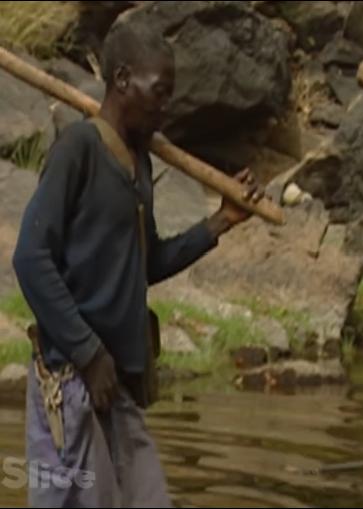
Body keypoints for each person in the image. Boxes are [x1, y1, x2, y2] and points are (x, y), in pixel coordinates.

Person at [12, 21, 264, 507]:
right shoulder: (78, 150)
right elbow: (30, 258)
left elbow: (145, 264)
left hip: (117, 381)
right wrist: (87, 352)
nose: (167, 105)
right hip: (73, 380)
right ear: (123, 80)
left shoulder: (140, 163)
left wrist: (220, 223)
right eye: (160, 92)